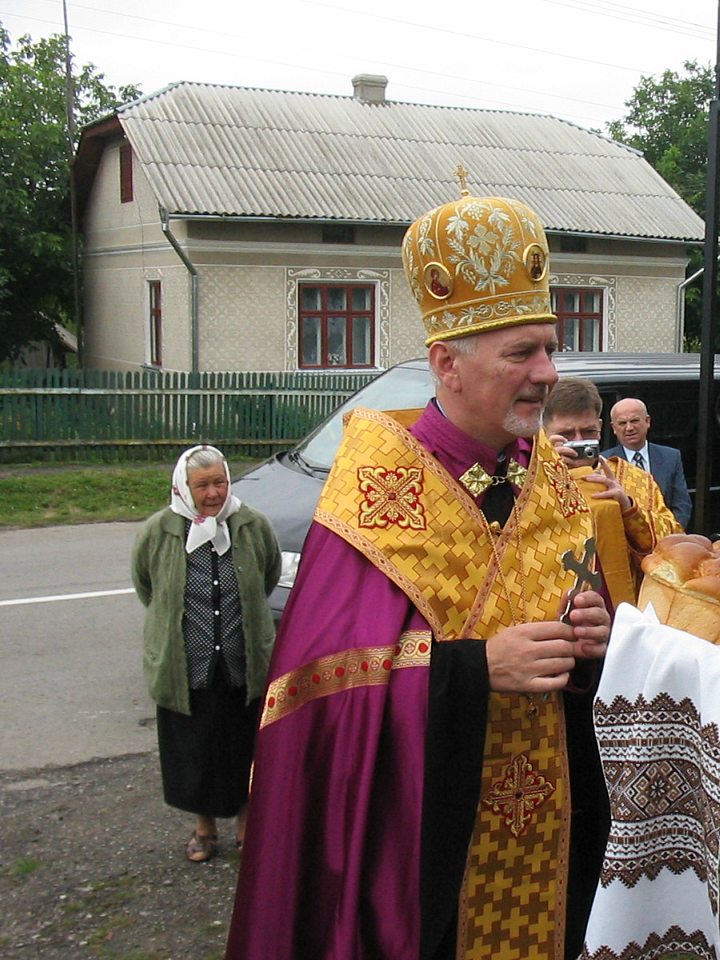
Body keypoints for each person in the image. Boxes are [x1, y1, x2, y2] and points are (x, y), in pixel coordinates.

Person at [226, 188, 612, 960]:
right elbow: (315, 691)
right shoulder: (375, 492)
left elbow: (583, 667)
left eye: (548, 345)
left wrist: (597, 645)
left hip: (547, 827)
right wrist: (473, 670)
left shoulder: (560, 483)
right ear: (448, 364)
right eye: (521, 354)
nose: (547, 372)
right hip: (420, 848)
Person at [130, 444, 280, 863]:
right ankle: (204, 828)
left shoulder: (252, 526)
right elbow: (148, 588)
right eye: (202, 485)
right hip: (187, 667)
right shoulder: (159, 531)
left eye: (220, 482)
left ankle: (246, 828)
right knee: (195, 752)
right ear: (183, 487)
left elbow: (265, 578)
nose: (213, 493)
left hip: (241, 664)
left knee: (245, 746)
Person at [543, 377, 682, 605]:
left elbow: (672, 546)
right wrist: (546, 465)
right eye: (567, 435)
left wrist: (628, 508)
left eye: (588, 432)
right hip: (557, 611)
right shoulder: (534, 480)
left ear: (600, 428)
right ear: (546, 432)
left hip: (625, 609)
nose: (579, 441)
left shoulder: (637, 479)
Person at [603, 397, 692, 528]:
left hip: (665, 539)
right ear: (614, 428)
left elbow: (682, 504)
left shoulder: (671, 457)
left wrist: (671, 533)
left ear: (647, 421)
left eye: (634, 421)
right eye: (622, 423)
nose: (629, 428)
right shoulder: (604, 463)